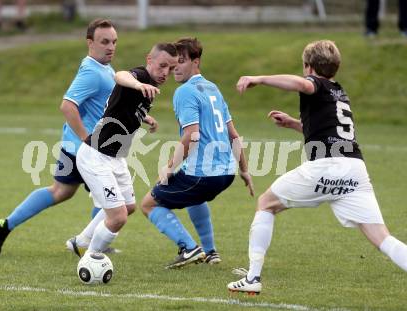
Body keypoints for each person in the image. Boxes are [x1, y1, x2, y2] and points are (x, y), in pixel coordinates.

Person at [227, 40, 407, 294]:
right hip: (354, 169)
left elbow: (302, 84)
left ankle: (253, 277)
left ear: (307, 66)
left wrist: (260, 78)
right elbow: (330, 130)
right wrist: (294, 124)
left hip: (327, 166)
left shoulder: (315, 83)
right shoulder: (339, 91)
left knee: (266, 203)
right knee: (382, 238)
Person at [0, 18, 118, 255]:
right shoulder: (92, 72)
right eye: (104, 42)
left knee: (61, 191)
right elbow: (67, 106)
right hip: (85, 150)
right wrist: (87, 139)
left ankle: (6, 225)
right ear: (90, 43)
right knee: (112, 196)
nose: (110, 46)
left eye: (114, 42)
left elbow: (105, 104)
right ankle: (92, 243)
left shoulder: (103, 68)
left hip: (74, 145)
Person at [140, 37, 254, 269]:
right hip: (225, 173)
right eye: (173, 64)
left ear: (196, 61)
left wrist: (168, 169)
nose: (175, 69)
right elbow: (233, 133)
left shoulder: (185, 92)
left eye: (181, 62)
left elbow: (192, 135)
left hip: (204, 173)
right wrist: (244, 170)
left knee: (149, 204)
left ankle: (189, 248)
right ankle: (210, 252)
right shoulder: (213, 88)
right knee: (194, 197)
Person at [66, 43, 178, 257]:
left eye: (171, 69)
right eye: (163, 66)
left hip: (116, 158)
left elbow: (119, 104)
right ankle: (91, 258)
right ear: (149, 59)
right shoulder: (140, 77)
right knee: (117, 217)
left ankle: (80, 242)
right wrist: (137, 84)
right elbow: (121, 75)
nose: (166, 72)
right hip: (95, 155)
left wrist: (144, 117)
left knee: (128, 206)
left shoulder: (149, 86)